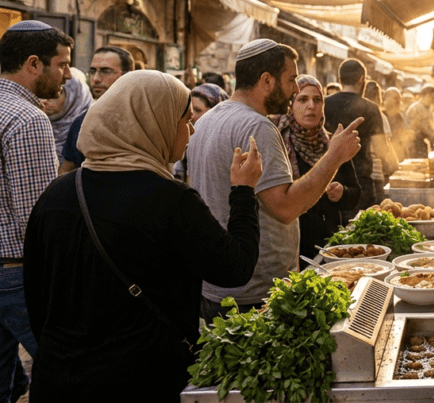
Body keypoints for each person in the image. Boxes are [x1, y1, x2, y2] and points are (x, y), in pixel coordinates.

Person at [23, 71, 262, 401]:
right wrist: (244, 192)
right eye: (184, 119)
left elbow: (36, 297)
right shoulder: (171, 201)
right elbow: (235, 268)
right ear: (155, 122)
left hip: (59, 381)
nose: (190, 129)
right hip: (141, 382)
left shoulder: (57, 194)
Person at [189, 39, 362, 321]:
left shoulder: (207, 119)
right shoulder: (256, 125)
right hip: (256, 292)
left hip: (218, 287)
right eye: (291, 79)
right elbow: (285, 208)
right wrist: (335, 156)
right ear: (267, 81)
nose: (295, 89)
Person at [0, 20, 73, 403]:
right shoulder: (27, 119)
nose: (67, 74)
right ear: (33, 64)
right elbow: (38, 215)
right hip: (14, 272)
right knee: (70, 371)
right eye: (61, 64)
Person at [273, 75, 361, 259]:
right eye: (302, 99)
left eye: (317, 100)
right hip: (290, 249)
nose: (311, 106)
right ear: (291, 105)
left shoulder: (333, 142)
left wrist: (342, 193)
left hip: (330, 247)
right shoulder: (278, 142)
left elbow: (355, 194)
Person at [323, 59, 397, 218]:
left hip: (327, 181)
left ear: (340, 80)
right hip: (360, 184)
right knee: (361, 237)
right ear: (362, 80)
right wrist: (394, 168)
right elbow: (381, 149)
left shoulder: (323, 104)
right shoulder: (370, 108)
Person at [59, 46, 134, 173]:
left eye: (106, 71)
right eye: (93, 71)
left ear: (128, 75)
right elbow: (65, 173)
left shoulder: (143, 120)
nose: (96, 79)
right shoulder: (82, 122)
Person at [41, 67, 92, 165]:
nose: (45, 100)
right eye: (42, 94)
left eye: (56, 94)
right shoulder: (33, 123)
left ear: (75, 96)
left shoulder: (86, 125)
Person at [405, 86, 434, 158]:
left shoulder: (429, 109)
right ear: (427, 95)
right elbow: (413, 128)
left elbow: (431, 127)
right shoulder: (415, 108)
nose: (433, 101)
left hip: (424, 144)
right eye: (433, 98)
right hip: (415, 145)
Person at [382, 87, 413, 162]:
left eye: (399, 99)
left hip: (400, 157)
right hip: (385, 158)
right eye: (395, 98)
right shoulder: (380, 116)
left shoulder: (402, 117)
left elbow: (406, 138)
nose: (398, 101)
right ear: (386, 99)